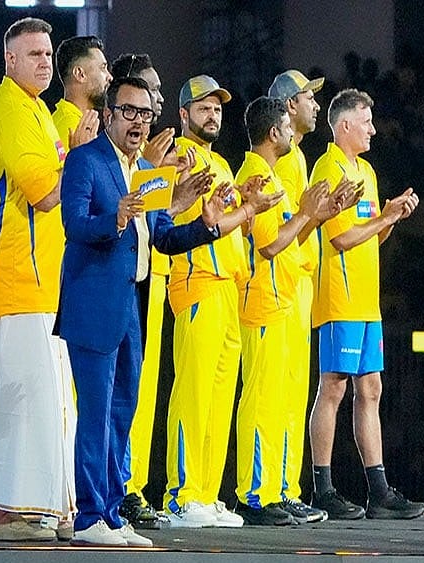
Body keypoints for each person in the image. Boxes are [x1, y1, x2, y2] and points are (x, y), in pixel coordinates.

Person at [58, 76, 279, 546]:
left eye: (144, 113)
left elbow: (163, 237)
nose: (139, 121)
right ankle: (88, 517)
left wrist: (205, 223)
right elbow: (75, 224)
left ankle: (113, 515)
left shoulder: (144, 172)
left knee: (123, 414)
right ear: (109, 114)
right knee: (95, 414)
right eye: (129, 111)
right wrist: (115, 217)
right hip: (93, 305)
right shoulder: (85, 160)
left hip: (131, 307)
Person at [0, 17, 76, 543]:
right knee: (21, 391)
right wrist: (82, 156)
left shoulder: (36, 110)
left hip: (41, 275)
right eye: (33, 53)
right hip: (12, 269)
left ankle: (35, 508)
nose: (44, 61)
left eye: (48, 53)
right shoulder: (11, 110)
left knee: (45, 393)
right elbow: (47, 193)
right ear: (10, 60)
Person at [307, 89, 424, 520]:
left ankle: (379, 491)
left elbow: (371, 234)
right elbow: (339, 237)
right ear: (344, 127)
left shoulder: (367, 171)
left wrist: (390, 216)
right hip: (339, 299)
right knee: (334, 387)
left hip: (366, 300)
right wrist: (385, 218)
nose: (373, 128)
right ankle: (323, 487)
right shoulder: (328, 167)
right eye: (366, 121)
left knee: (370, 388)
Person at [231, 96, 341, 525]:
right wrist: (306, 214)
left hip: (281, 300)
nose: (292, 135)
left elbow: (289, 237)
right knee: (261, 401)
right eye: (286, 128)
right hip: (261, 303)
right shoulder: (255, 175)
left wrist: (318, 215)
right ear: (274, 133)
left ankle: (278, 488)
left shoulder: (270, 173)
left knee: (280, 402)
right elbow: (270, 243)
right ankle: (255, 495)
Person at [161, 75, 246, 528]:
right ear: (183, 114)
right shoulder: (176, 157)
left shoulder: (222, 164)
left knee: (217, 399)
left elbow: (228, 223)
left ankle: (206, 494)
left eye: (217, 107)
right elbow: (165, 217)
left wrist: (247, 208)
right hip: (196, 283)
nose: (212, 114)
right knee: (192, 395)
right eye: (203, 107)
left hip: (227, 285)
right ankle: (179, 496)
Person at [107, 52, 172, 529]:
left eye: (152, 105)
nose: (149, 110)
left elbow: (160, 228)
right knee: (110, 396)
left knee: (137, 393)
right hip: (107, 288)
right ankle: (113, 491)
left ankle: (127, 487)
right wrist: (150, 170)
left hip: (145, 279)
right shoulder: (100, 151)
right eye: (140, 101)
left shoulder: (143, 159)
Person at [267, 69, 335, 524]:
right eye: (309, 97)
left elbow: (301, 225)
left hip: (299, 281)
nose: (315, 105)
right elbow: (279, 234)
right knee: (276, 392)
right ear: (290, 105)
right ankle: (268, 488)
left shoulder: (297, 158)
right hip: (283, 284)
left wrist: (322, 214)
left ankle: (286, 487)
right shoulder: (285, 161)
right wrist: (315, 215)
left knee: (292, 393)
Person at [51, 35, 110, 153]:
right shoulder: (69, 125)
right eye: (103, 68)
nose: (110, 77)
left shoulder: (79, 121)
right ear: (80, 74)